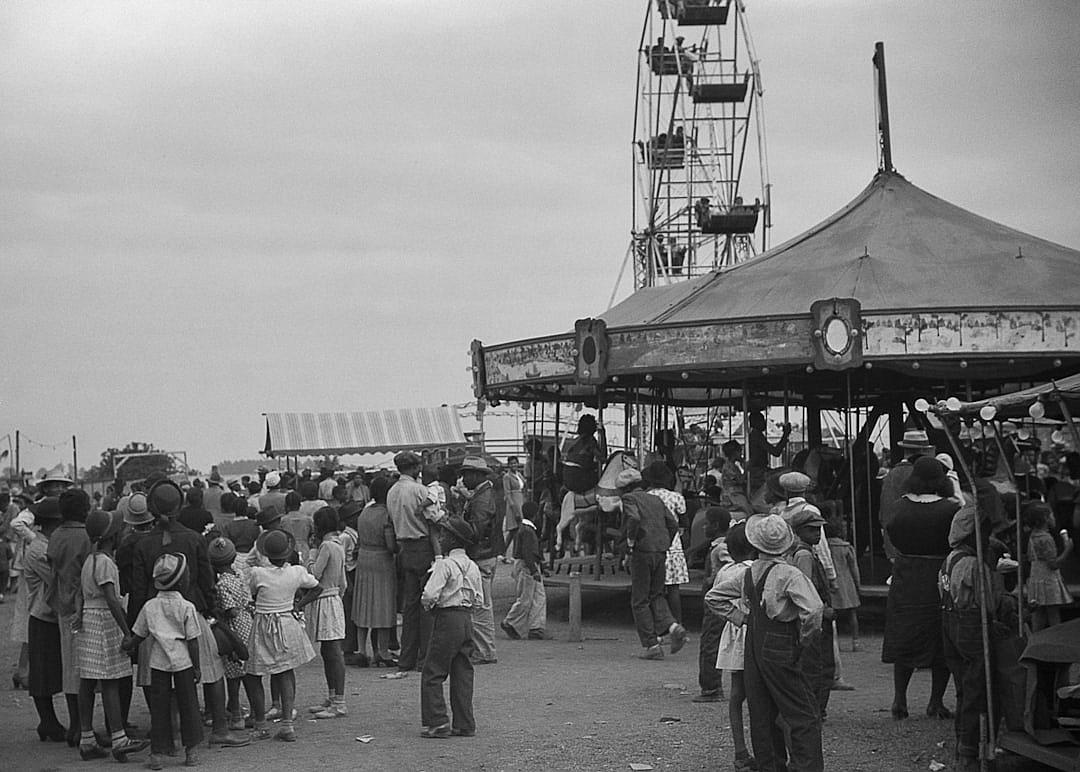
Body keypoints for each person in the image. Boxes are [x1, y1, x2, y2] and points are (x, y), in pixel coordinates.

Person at [131, 479, 250, 749]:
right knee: (211, 672)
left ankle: (171, 732)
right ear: (180, 505)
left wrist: (136, 630)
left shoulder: (142, 544)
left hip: (155, 618)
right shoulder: (194, 539)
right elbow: (208, 582)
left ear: (150, 507)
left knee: (159, 677)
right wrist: (212, 613)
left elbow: (139, 592)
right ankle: (220, 727)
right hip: (192, 612)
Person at [710, 513, 824, 772]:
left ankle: (770, 767)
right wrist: (805, 638)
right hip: (782, 639)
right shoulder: (789, 574)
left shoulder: (749, 573)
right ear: (787, 543)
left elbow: (713, 598)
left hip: (754, 643)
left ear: (756, 544)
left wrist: (742, 618)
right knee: (802, 713)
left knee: (762, 712)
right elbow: (814, 609)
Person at [939, 502, 1018, 772]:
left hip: (950, 624)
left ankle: (963, 744)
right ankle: (971, 753)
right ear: (972, 533)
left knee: (964, 689)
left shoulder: (950, 558)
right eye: (984, 531)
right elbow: (986, 604)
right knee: (979, 689)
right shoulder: (974, 564)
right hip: (972, 627)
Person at [882, 456, 958, 721]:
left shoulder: (898, 508)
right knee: (941, 638)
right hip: (939, 576)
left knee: (904, 635)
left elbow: (890, 533)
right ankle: (935, 703)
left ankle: (899, 699)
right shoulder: (951, 509)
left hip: (906, 575)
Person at [73, 508, 148, 760]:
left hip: (89, 622)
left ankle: (87, 739)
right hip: (104, 622)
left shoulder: (89, 561)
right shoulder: (105, 563)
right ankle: (119, 738)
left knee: (87, 680)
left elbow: (81, 594)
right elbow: (111, 600)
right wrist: (127, 631)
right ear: (111, 537)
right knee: (110, 681)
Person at [125, 553, 204, 769]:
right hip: (183, 662)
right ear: (181, 580)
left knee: (158, 708)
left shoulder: (150, 606)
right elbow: (193, 641)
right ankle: (191, 752)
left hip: (158, 663)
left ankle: (157, 754)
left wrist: (128, 644)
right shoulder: (187, 606)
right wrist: (197, 667)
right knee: (189, 705)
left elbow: (139, 635)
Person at [247, 529, 319, 742]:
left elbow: (252, 593)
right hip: (287, 622)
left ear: (266, 554)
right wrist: (298, 605)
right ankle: (287, 723)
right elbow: (317, 588)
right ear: (288, 552)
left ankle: (260, 724)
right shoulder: (297, 572)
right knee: (286, 672)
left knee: (254, 674)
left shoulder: (258, 574)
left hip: (263, 624)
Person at [419, 517, 483, 739]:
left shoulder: (444, 565)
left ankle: (437, 722)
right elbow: (479, 599)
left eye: (444, 535)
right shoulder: (473, 567)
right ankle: (465, 723)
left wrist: (428, 606)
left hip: (447, 618)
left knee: (433, 671)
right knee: (463, 671)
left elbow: (429, 593)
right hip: (467, 619)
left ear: (453, 539)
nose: (441, 538)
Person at [619, 466, 687, 660]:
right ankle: (674, 626)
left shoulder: (629, 499)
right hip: (661, 551)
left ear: (624, 488)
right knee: (657, 595)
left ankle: (652, 645)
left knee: (639, 600)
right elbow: (673, 524)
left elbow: (633, 518)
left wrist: (631, 542)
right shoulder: (655, 500)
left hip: (642, 551)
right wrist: (665, 541)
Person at [704, 522, 756, 771]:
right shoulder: (755, 570)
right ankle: (768, 751)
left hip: (734, 633)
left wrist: (737, 618)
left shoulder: (725, 570)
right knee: (761, 696)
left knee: (737, 696)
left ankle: (740, 751)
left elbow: (714, 598)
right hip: (754, 635)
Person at [383, 451, 440, 680]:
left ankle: (406, 657)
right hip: (423, 546)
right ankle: (424, 657)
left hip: (404, 548)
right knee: (427, 605)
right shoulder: (419, 491)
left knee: (410, 607)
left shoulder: (392, 492)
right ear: (415, 467)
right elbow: (434, 518)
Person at [46, 487, 94, 746]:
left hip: (63, 605)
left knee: (69, 668)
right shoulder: (87, 536)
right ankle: (83, 725)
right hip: (84, 605)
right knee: (86, 669)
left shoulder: (56, 536)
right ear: (85, 510)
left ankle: (75, 723)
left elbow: (52, 569)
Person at [207, 537, 267, 739]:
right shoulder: (240, 574)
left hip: (234, 628)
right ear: (233, 558)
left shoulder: (221, 583)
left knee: (233, 674)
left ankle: (236, 714)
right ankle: (256, 716)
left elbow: (230, 611)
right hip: (248, 621)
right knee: (250, 671)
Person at [785, 499, 835, 721]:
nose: (817, 533)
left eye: (819, 529)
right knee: (818, 666)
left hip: (811, 615)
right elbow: (806, 588)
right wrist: (822, 610)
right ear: (799, 531)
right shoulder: (804, 555)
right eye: (811, 529)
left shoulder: (805, 551)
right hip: (814, 616)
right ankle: (815, 709)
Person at [24, 497, 68, 742]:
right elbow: (58, 578)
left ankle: (49, 722)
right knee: (42, 673)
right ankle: (48, 721)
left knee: (50, 670)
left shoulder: (47, 544)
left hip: (49, 615)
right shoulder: (39, 550)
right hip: (43, 616)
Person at [299, 507, 349, 719]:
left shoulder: (326, 547)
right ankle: (332, 697)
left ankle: (339, 702)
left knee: (333, 652)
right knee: (329, 652)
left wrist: (310, 555)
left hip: (325, 599)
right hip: (334, 598)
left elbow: (313, 575)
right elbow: (343, 582)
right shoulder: (339, 545)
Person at [353, 477, 398, 667]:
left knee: (363, 604)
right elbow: (390, 545)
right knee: (384, 605)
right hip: (382, 560)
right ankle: (383, 651)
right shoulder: (387, 514)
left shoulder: (364, 512)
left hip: (364, 558)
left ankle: (362, 650)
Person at [459, 456, 499, 665]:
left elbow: (476, 531)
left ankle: (485, 651)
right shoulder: (482, 494)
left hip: (481, 555)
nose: (463, 478)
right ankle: (483, 649)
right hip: (485, 554)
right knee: (481, 604)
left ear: (476, 475)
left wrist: (455, 527)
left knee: (481, 606)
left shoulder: (482, 499)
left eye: (466, 474)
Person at [879, 429, 936, 560]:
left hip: (893, 543)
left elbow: (884, 512)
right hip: (917, 545)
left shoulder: (891, 475)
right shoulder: (922, 475)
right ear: (923, 451)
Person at [694, 506, 731, 703]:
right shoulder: (718, 545)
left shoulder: (721, 548)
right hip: (718, 599)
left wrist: (712, 579)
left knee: (710, 642)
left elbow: (729, 568)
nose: (704, 527)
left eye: (707, 524)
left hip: (716, 600)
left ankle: (711, 688)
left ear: (715, 526)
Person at [500, 503, 548, 640]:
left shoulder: (525, 529)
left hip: (528, 564)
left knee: (538, 596)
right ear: (535, 515)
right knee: (526, 598)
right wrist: (534, 570)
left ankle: (536, 627)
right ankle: (510, 621)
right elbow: (528, 553)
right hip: (527, 566)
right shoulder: (527, 531)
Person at [1023, 501, 1073, 630]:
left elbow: (1030, 557)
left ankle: (1035, 641)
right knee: (1053, 614)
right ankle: (1056, 639)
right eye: (1052, 515)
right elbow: (1053, 564)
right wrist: (1068, 549)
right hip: (1048, 580)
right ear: (1045, 518)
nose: (1054, 518)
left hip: (1036, 578)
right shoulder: (1046, 539)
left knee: (1038, 614)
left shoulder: (1033, 536)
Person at [826, 515, 861, 652]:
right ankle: (855, 641)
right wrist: (857, 585)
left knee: (833, 616)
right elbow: (854, 568)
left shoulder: (825, 547)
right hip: (847, 584)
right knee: (852, 614)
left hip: (832, 583)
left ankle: (836, 642)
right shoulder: (846, 548)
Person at [747, 411, 791, 492]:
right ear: (756, 422)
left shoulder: (755, 435)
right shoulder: (757, 436)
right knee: (787, 472)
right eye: (762, 420)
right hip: (758, 472)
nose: (764, 423)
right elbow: (776, 452)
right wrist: (785, 435)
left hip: (761, 469)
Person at [561, 414, 604, 494]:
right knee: (601, 479)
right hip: (578, 477)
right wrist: (603, 434)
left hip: (566, 475)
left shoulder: (575, 440)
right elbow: (602, 457)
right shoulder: (590, 440)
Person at [501, 457, 526, 562]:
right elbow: (507, 493)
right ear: (508, 465)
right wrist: (513, 507)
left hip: (521, 501)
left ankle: (503, 552)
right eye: (511, 464)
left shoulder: (519, 475)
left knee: (514, 531)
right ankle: (514, 554)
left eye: (515, 463)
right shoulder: (507, 477)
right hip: (513, 503)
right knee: (514, 530)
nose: (513, 465)